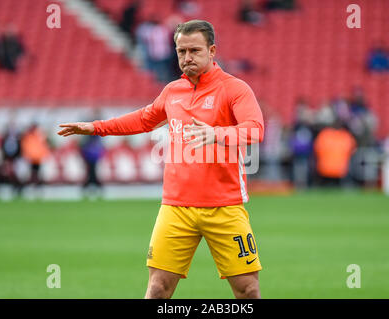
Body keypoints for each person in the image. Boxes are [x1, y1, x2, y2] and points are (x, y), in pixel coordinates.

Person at [58, 20, 265, 299]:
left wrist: (216, 133)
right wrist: (96, 127)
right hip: (176, 208)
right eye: (181, 51)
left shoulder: (235, 89)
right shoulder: (172, 92)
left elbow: (256, 129)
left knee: (248, 290)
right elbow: (143, 120)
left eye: (194, 50)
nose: (187, 58)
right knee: (157, 289)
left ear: (212, 50)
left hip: (224, 207)